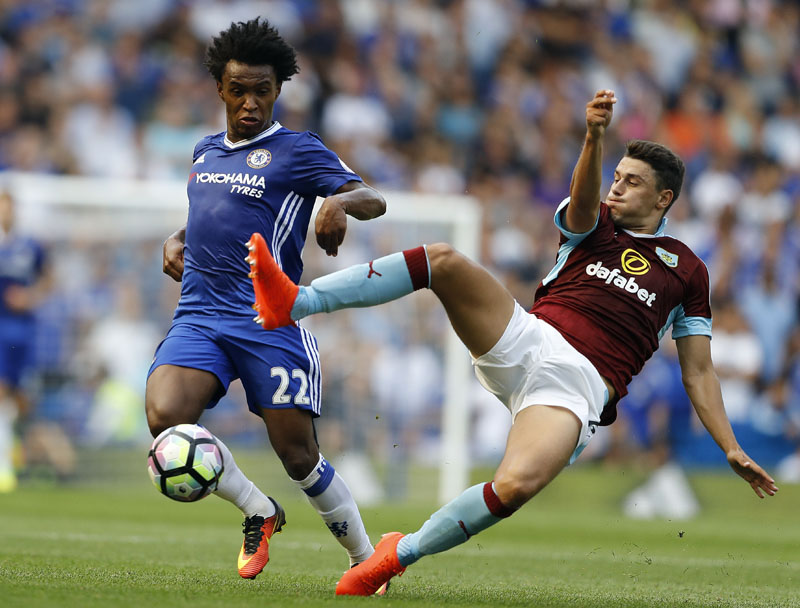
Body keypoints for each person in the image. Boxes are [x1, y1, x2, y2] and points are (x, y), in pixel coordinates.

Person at [245, 89, 779, 595]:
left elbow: (700, 371)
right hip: (527, 336)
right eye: (616, 176)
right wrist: (592, 138)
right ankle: (295, 302)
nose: (617, 187)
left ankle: (395, 554)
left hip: (577, 386)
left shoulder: (688, 271)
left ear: (664, 197)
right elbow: (585, 200)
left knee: (516, 486)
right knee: (445, 260)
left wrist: (730, 447)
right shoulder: (594, 225)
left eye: (632, 182)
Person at [145, 18, 387, 581]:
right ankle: (258, 509)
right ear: (220, 90)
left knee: (299, 456)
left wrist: (338, 204)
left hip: (268, 320)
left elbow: (372, 197)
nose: (250, 102)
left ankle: (365, 560)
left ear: (278, 91)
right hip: (200, 317)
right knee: (165, 418)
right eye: (239, 90)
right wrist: (175, 240)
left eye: (262, 91)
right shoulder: (205, 152)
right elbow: (210, 219)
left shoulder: (298, 150)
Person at [0, 190, 49, 492]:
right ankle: (4, 465)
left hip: (25, 333)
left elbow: (48, 276)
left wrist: (33, 297)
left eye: (9, 206)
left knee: (22, 401)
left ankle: (13, 451)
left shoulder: (29, 245)